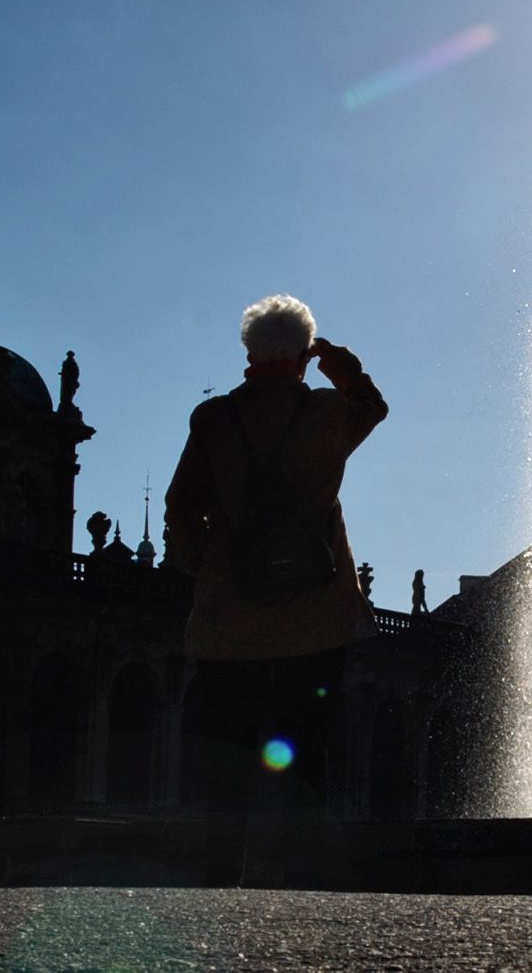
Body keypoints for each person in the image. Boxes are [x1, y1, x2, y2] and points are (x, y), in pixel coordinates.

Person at [163, 293, 386, 887]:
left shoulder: (212, 420)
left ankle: (218, 881)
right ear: (301, 356)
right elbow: (375, 406)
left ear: (248, 352)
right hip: (315, 619)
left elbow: (180, 506)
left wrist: (205, 568)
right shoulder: (328, 414)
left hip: (227, 624)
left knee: (226, 761)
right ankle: (298, 886)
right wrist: (336, 362)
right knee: (307, 757)